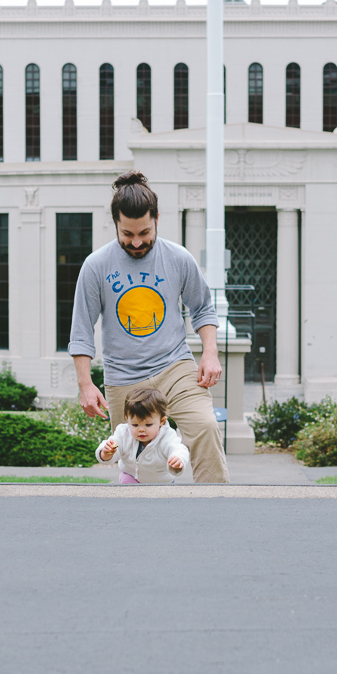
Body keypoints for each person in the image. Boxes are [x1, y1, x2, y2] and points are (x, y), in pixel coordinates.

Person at [68, 171, 228, 483]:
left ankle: (217, 506)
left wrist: (210, 353)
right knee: (132, 456)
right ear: (115, 222)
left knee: (206, 426)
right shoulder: (96, 266)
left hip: (174, 366)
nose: (137, 241)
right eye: (127, 234)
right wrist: (85, 384)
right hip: (124, 376)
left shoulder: (178, 258)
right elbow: (81, 330)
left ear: (156, 219)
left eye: (144, 232)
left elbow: (203, 309)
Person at [96, 386, 191, 484]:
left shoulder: (166, 436)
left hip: (161, 482)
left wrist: (177, 459)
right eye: (135, 425)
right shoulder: (123, 433)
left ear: (161, 421)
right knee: (126, 482)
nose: (141, 430)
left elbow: (178, 448)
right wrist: (106, 453)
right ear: (127, 419)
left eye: (148, 425)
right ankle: (129, 497)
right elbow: (112, 449)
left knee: (162, 498)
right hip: (132, 476)